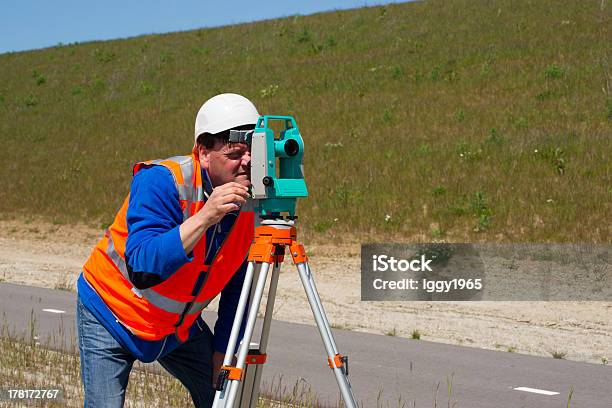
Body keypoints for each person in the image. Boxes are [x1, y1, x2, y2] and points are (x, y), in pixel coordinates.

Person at [77, 93, 259, 407]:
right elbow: (143, 266)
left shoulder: (254, 201)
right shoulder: (162, 180)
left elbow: (239, 284)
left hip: (176, 328)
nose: (247, 162)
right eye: (235, 152)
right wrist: (206, 216)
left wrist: (223, 350)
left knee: (222, 397)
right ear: (203, 151)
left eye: (254, 151)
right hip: (113, 313)